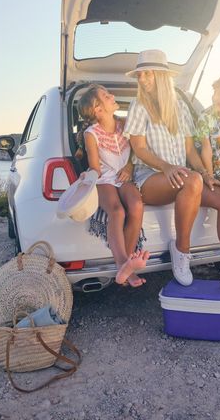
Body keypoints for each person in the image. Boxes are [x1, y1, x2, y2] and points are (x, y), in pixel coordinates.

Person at [124, 50, 220, 301]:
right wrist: (168, 167)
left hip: (185, 178)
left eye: (148, 73)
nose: (143, 78)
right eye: (140, 74)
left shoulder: (180, 106)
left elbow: (191, 150)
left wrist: (205, 174)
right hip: (150, 178)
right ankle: (182, 252)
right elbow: (139, 148)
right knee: (191, 180)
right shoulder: (138, 106)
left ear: (161, 76)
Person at [78, 85, 149, 288]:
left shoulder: (125, 125)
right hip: (104, 180)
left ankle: (126, 267)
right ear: (97, 110)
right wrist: (87, 176)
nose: (112, 96)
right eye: (106, 96)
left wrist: (128, 166)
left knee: (136, 206)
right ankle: (123, 265)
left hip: (125, 176)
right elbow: (95, 167)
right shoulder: (91, 134)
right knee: (117, 211)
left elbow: (136, 152)